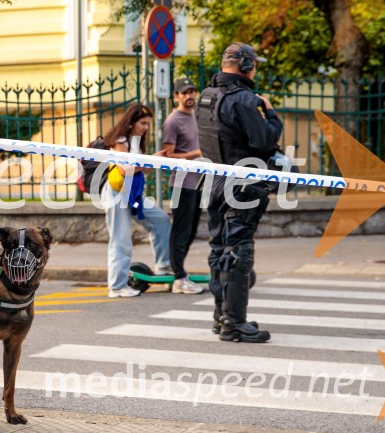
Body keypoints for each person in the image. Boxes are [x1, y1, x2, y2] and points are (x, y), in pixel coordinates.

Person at [196, 42, 283, 343]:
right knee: (238, 250)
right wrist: (271, 115)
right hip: (243, 182)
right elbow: (263, 141)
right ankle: (234, 323)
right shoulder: (246, 100)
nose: (255, 68)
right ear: (246, 66)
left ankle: (221, 318)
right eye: (254, 64)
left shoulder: (206, 96)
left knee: (219, 249)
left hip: (216, 180)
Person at [102, 103, 172, 298]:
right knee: (121, 239)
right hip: (117, 194)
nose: (146, 127)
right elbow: (126, 169)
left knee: (161, 220)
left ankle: (164, 267)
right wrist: (149, 160)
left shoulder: (136, 141)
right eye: (143, 123)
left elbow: (143, 168)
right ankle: (117, 286)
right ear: (131, 122)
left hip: (132, 194)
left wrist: (155, 160)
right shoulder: (120, 140)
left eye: (148, 124)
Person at [162, 77, 204, 295]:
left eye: (192, 91)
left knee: (191, 231)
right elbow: (168, 155)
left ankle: (179, 271)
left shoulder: (197, 116)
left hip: (197, 182)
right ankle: (179, 277)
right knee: (181, 230)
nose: (189, 96)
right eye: (184, 92)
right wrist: (195, 154)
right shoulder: (173, 121)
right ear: (176, 96)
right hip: (181, 182)